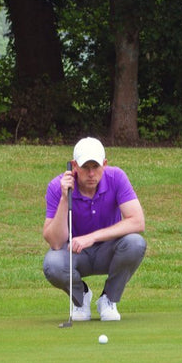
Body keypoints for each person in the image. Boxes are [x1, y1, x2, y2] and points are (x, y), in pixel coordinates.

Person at [42, 136, 147, 322]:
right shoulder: (56, 186)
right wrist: (65, 199)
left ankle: (108, 299)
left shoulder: (116, 178)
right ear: (74, 166)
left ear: (104, 164)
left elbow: (137, 222)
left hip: (109, 250)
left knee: (135, 243)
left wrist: (91, 237)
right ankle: (81, 297)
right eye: (85, 167)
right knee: (53, 264)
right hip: (75, 253)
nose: (91, 174)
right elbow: (55, 242)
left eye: (96, 167)